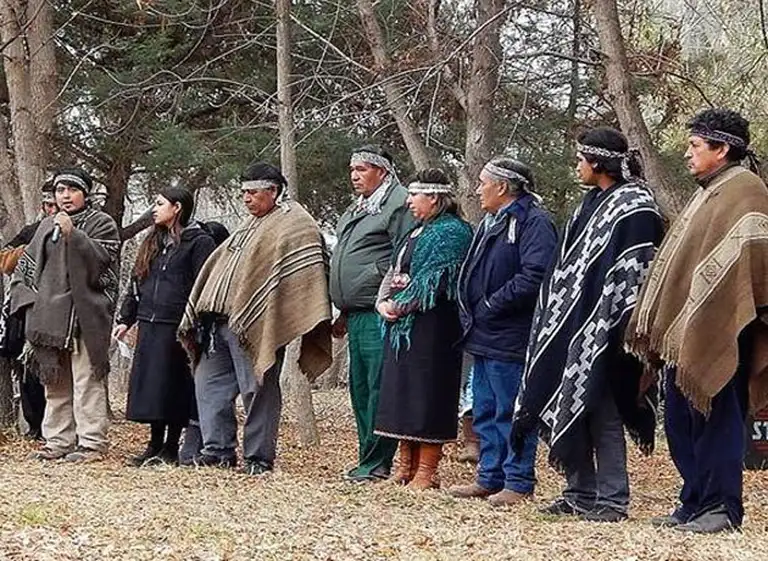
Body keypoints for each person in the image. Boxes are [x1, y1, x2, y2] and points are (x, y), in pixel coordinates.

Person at [626, 109, 768, 533]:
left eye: (695, 146)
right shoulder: (709, 190)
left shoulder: (745, 190)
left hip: (726, 325)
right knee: (682, 420)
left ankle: (722, 508)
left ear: (722, 149)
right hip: (688, 328)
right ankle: (693, 501)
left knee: (717, 419)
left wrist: (722, 313)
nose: (687, 154)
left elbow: (753, 261)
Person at [513, 128, 664, 521]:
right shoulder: (588, 204)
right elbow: (569, 268)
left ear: (597, 163)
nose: (576, 165)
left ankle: (613, 500)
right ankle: (579, 491)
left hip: (613, 330)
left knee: (606, 412)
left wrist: (619, 327)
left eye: (581, 159)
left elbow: (638, 273)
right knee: (571, 405)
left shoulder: (636, 208)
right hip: (570, 327)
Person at [178, 162, 332, 475]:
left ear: (274, 191)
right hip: (216, 323)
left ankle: (258, 457)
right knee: (209, 388)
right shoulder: (249, 224)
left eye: (253, 192)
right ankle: (217, 451)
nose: (246, 199)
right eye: (243, 192)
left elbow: (304, 272)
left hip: (254, 324)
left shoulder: (294, 223)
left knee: (257, 390)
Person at [448, 158, 557, 506]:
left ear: (503, 186)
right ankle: (489, 476)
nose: (477, 189)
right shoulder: (490, 222)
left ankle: (518, 479)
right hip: (483, 333)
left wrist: (493, 305)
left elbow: (535, 274)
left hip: (512, 333)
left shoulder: (534, 222)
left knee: (511, 409)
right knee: (484, 407)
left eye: (483, 182)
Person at [11, 168, 120, 463]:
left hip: (87, 316)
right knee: (55, 383)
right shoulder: (46, 226)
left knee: (87, 381)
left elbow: (105, 264)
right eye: (60, 191)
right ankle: (57, 440)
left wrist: (75, 235)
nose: (65, 196)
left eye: (72, 190)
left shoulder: (103, 223)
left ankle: (92, 443)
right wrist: (29, 302)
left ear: (85, 193)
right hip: (50, 318)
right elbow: (26, 269)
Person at [373, 168, 472, 490]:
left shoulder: (453, 232)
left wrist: (399, 306)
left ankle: (427, 470)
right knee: (401, 393)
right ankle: (406, 465)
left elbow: (434, 280)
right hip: (402, 327)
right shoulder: (416, 230)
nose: (409, 201)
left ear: (434, 197)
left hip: (435, 328)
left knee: (427, 394)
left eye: (415, 196)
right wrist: (382, 302)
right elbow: (395, 270)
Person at [329, 145, 416, 482]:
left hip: (381, 313)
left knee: (379, 387)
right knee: (361, 388)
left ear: (382, 171)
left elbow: (404, 255)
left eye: (362, 169)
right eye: (352, 169)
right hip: (356, 312)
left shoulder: (398, 203)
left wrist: (387, 295)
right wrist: (342, 307)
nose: (354, 175)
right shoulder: (358, 207)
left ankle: (378, 462)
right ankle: (367, 458)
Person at [114, 187, 216, 466]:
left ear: (178, 208)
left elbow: (203, 287)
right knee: (152, 387)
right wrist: (126, 319)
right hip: (150, 323)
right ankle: (154, 445)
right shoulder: (152, 241)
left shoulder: (199, 242)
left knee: (175, 387)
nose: (154, 209)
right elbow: (137, 284)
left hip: (179, 327)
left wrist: (194, 323)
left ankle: (171, 447)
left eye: (159, 204)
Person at [0, 180, 58, 439]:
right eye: (48, 204)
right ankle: (35, 427)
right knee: (29, 371)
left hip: (62, 310)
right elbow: (4, 259)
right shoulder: (31, 231)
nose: (52, 209)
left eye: (55, 204)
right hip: (29, 309)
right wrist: (33, 251)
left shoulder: (81, 229)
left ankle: (60, 429)